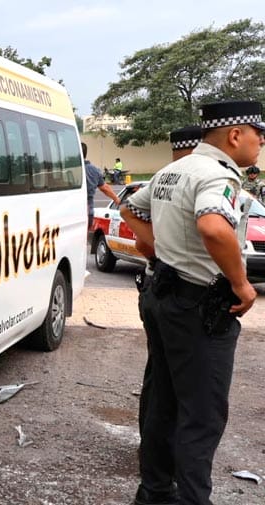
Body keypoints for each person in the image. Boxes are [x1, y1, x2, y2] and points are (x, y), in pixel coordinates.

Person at [121, 100, 263, 505]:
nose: (261, 142)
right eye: (258, 134)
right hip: (199, 307)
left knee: (163, 404)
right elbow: (213, 226)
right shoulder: (218, 176)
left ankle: (154, 494)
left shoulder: (173, 170)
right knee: (201, 417)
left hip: (163, 296)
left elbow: (130, 207)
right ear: (235, 135)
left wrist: (156, 251)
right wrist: (241, 284)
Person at [136, 124, 202, 435]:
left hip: (152, 284)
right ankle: (163, 457)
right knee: (179, 382)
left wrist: (156, 259)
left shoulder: (160, 179)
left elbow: (139, 240)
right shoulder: (192, 181)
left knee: (156, 373)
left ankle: (149, 448)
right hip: (177, 292)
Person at [83, 142, 120, 233]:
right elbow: (104, 188)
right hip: (88, 212)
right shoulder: (94, 170)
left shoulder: (69, 168)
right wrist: (116, 199)